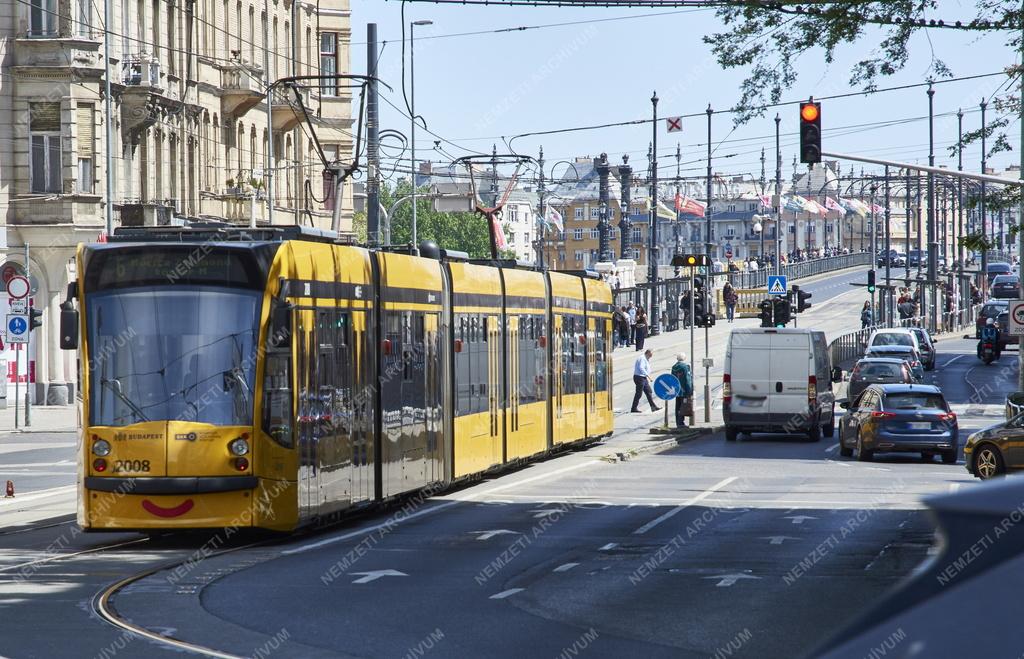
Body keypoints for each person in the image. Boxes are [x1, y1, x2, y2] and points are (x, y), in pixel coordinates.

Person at [671, 353, 694, 428]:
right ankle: (681, 422)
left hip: (676, 390)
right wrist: (689, 390)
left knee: (677, 406)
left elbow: (672, 378)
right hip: (684, 390)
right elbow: (687, 380)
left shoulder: (674, 367)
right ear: (684, 358)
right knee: (683, 406)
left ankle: (678, 422)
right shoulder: (685, 367)